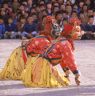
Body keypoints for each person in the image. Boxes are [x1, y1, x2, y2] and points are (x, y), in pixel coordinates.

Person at [21, 15, 83, 87]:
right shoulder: (65, 43)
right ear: (70, 32)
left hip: (41, 64)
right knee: (61, 83)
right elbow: (69, 59)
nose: (79, 33)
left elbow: (63, 59)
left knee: (63, 81)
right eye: (77, 31)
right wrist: (76, 73)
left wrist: (67, 73)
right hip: (43, 67)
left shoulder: (62, 40)